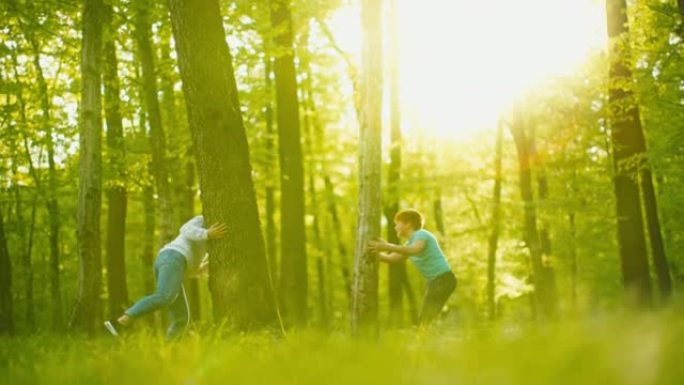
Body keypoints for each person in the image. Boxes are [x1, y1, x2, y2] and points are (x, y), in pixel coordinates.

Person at [104, 215, 228, 339]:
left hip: (173, 262)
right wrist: (207, 233)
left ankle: (171, 349)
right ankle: (120, 322)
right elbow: (185, 229)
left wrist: (197, 270)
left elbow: (184, 264)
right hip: (172, 256)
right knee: (164, 296)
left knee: (182, 317)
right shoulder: (203, 219)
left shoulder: (206, 244)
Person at [369, 208, 456, 325]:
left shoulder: (422, 234)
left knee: (426, 319)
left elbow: (414, 250)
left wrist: (386, 246)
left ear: (408, 224)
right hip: (436, 281)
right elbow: (391, 259)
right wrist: (373, 251)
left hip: (443, 279)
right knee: (427, 318)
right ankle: (434, 338)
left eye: (397, 224)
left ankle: (428, 339)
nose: (395, 228)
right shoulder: (408, 244)